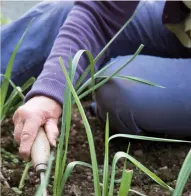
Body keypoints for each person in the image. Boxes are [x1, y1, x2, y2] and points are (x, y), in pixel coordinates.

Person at [1, 0, 191, 161]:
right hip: (181, 25)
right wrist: (50, 90)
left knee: (121, 87)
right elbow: (100, 13)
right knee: (63, 14)